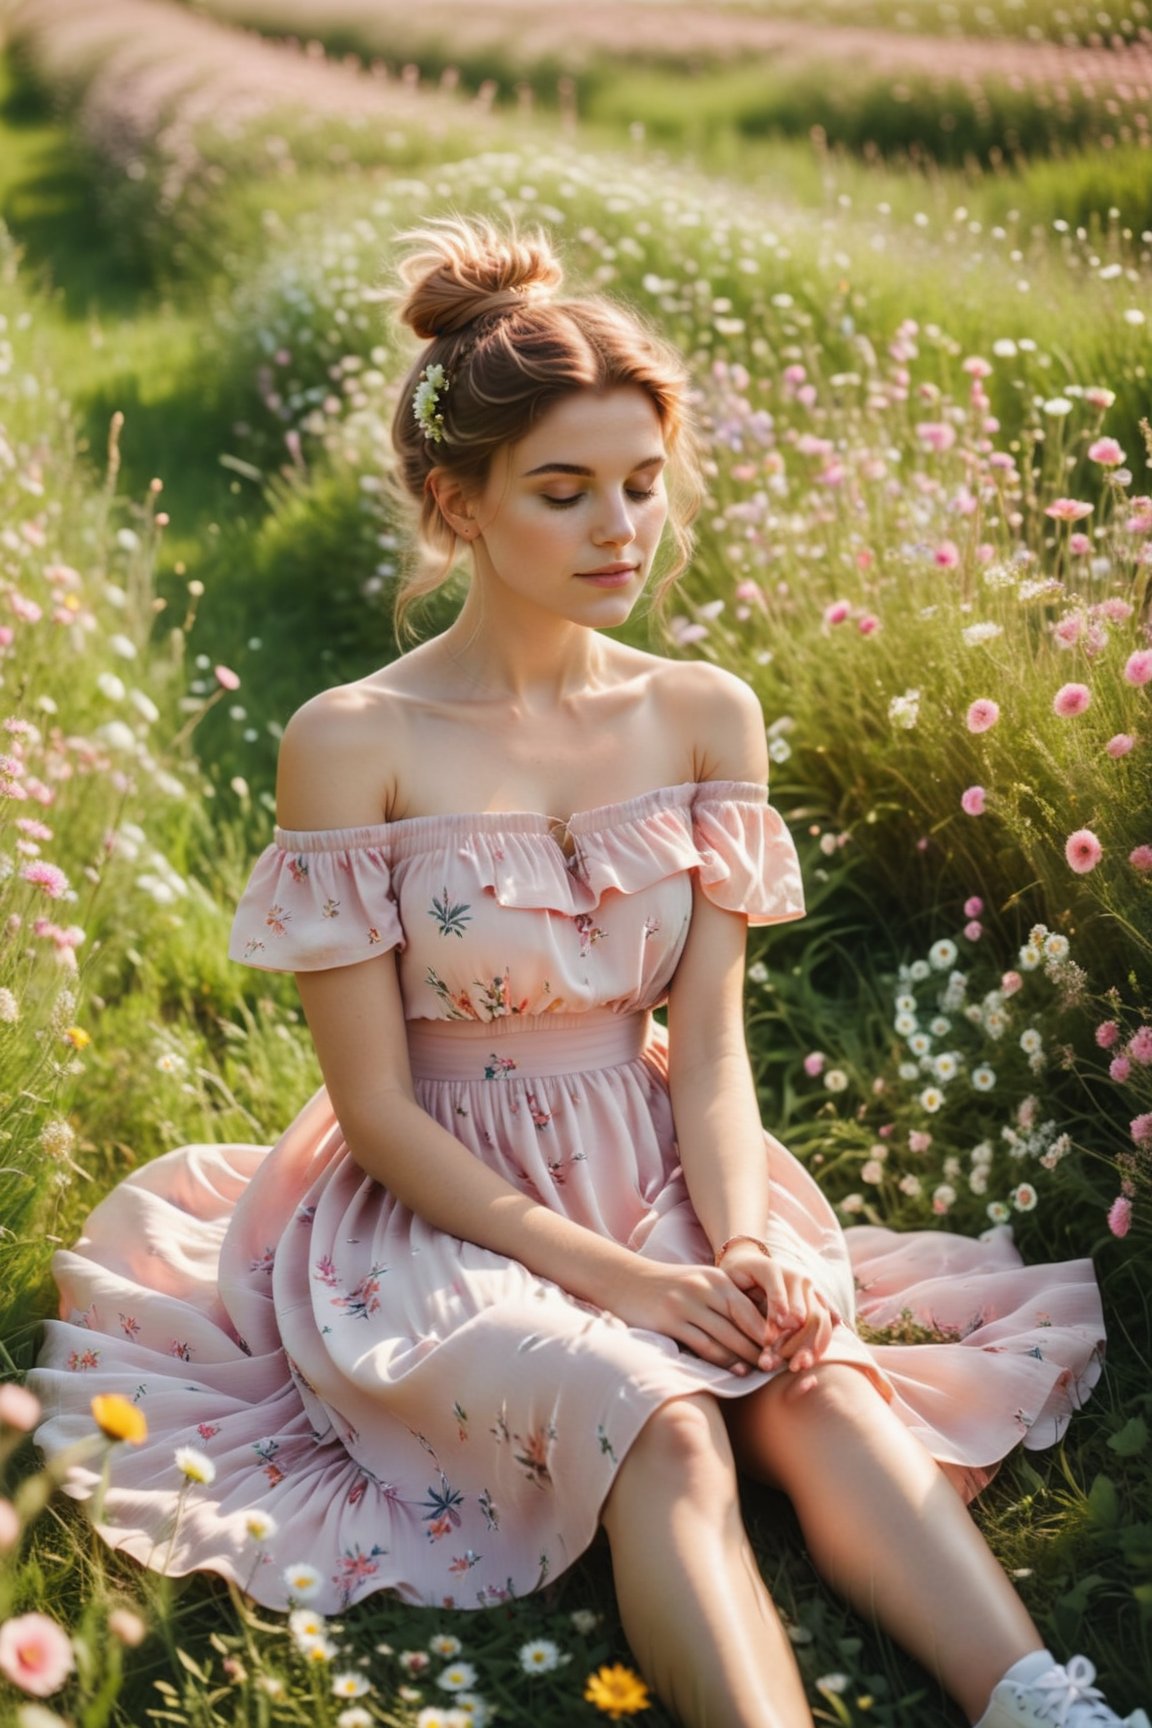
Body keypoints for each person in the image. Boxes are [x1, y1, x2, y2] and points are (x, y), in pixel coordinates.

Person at [29, 217, 1146, 1728]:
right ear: (456, 503)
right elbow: (373, 1112)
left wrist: (737, 1245)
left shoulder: (703, 714)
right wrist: (633, 1291)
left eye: (640, 483)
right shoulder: (353, 740)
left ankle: (1044, 1702)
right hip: (429, 1207)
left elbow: (713, 1040)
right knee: (666, 1419)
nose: (620, 527)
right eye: (564, 492)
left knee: (814, 1374)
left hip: (662, 1153)